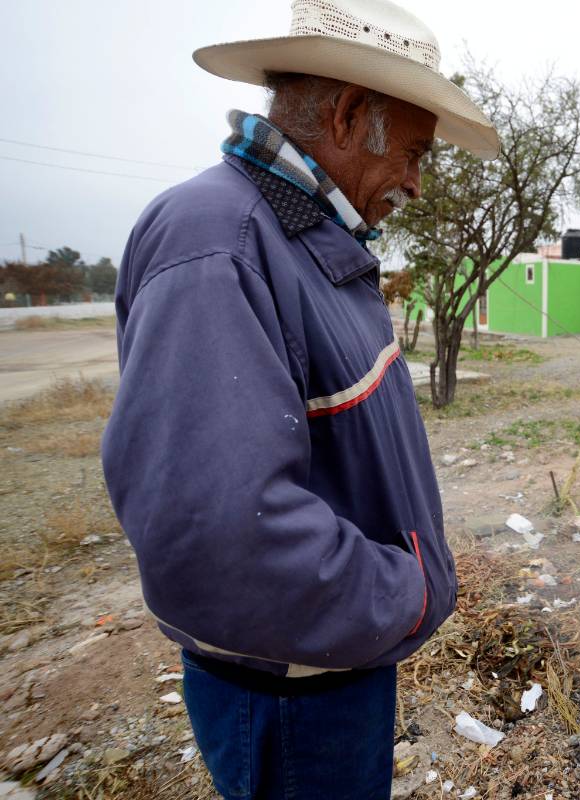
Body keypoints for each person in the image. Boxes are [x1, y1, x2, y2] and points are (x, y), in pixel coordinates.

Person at [100, 2, 498, 797]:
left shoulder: (305, 240)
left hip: (326, 666)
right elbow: (220, 535)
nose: (418, 184)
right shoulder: (221, 241)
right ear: (350, 115)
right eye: (416, 152)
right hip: (289, 692)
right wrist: (409, 594)